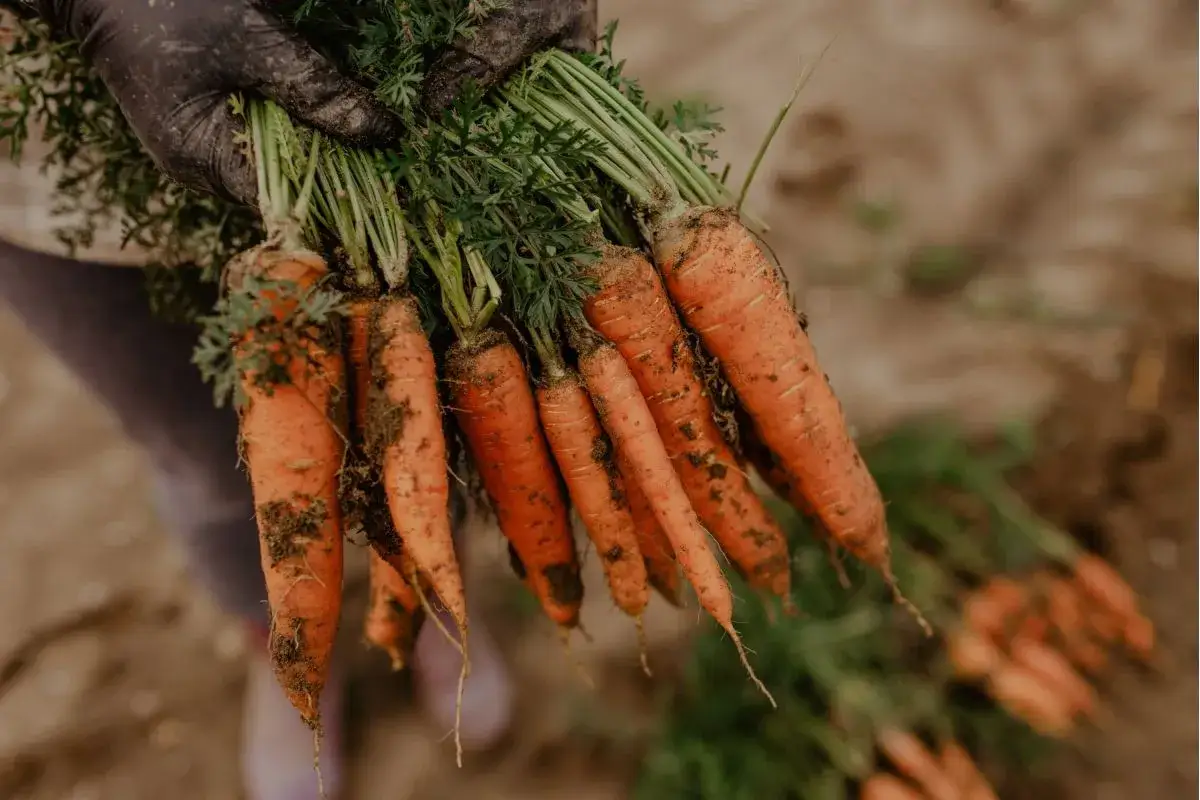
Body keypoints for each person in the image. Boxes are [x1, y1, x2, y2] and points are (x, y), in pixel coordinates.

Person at [0, 1, 595, 798]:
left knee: (422, 420)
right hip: (46, 160)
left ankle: (430, 597)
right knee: (211, 464)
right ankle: (287, 658)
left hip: (370, 88)